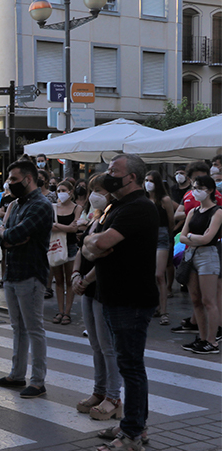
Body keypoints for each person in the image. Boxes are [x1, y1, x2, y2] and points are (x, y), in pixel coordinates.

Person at [82, 154, 159, 451]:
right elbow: (90, 241)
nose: (108, 175)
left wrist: (93, 244)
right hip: (115, 296)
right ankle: (136, 425)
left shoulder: (138, 207)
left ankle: (132, 435)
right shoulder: (118, 206)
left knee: (130, 365)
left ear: (132, 177)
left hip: (131, 299)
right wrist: (93, 244)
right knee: (130, 364)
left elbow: (98, 244)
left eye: (115, 171)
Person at [0, 160, 53, 399]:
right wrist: (6, 236)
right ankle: (16, 374)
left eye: (14, 179)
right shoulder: (16, 204)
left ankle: (38, 381)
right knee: (18, 327)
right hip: (12, 271)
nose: (10, 183)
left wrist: (7, 235)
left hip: (31, 272)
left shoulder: (41, 205)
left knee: (34, 328)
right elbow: (3, 236)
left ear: (28, 179)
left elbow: (17, 233)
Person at [71, 173, 123, 422]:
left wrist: (86, 279)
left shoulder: (113, 218)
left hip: (102, 285)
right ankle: (99, 390)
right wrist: (75, 274)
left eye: (99, 191)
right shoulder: (94, 218)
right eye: (93, 190)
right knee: (95, 344)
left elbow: (104, 253)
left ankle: (113, 396)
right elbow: (83, 249)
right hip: (88, 286)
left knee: (107, 346)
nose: (94, 195)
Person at [178, 175, 222, 354]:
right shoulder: (193, 211)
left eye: (199, 188)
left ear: (210, 190)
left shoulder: (217, 211)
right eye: (194, 188)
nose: (195, 191)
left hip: (208, 256)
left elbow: (208, 239)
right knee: (195, 299)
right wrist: (193, 238)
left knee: (208, 300)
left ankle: (212, 342)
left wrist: (190, 237)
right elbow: (181, 237)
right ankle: (202, 338)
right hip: (191, 255)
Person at [144, 170, 176, 325]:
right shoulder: (143, 199)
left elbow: (171, 220)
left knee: (159, 275)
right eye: (146, 180)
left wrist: (170, 237)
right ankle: (155, 306)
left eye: (151, 180)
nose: (148, 183)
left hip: (161, 235)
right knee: (148, 275)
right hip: (146, 236)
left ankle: (164, 311)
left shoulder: (164, 199)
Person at [49, 181, 83, 325]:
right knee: (58, 280)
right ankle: (60, 310)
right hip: (56, 245)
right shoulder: (52, 207)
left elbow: (75, 228)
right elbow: (49, 226)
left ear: (71, 192)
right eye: (58, 190)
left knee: (69, 280)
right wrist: (66, 227)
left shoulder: (77, 208)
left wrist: (57, 225)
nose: (60, 193)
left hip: (70, 246)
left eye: (63, 190)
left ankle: (67, 312)